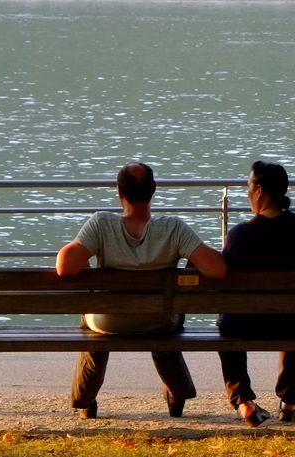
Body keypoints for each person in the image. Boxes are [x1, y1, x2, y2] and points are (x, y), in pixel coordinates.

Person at [56, 161, 226, 419]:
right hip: (159, 321)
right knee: (167, 320)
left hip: (108, 321)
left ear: (119, 192)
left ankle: (85, 399)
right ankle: (177, 390)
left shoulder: (101, 225)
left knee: (91, 320)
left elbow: (64, 267)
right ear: (154, 189)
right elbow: (217, 269)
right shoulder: (173, 229)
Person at [218, 161, 295, 427]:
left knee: (226, 320)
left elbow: (223, 280)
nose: (247, 192)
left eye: (248, 186)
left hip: (247, 327)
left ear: (260, 191)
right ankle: (289, 402)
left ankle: (243, 400)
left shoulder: (240, 236)